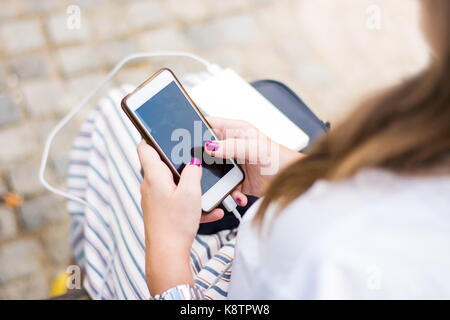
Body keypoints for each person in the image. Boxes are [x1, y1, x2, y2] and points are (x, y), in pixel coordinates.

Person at [68, 0, 450, 299]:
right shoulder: (429, 127)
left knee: (111, 122)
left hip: (210, 284)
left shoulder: (344, 268)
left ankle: (84, 273)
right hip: (263, 232)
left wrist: (165, 251)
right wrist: (292, 172)